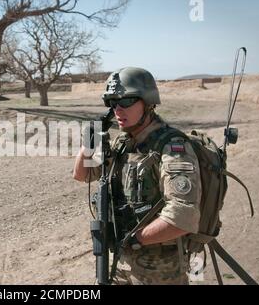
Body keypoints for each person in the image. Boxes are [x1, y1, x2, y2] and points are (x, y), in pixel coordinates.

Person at [73, 67, 202, 285]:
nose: (117, 110)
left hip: (159, 269)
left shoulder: (172, 147)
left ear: (148, 102)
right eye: (112, 103)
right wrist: (88, 144)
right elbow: (83, 175)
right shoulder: (123, 143)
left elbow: (183, 216)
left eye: (126, 101)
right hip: (120, 262)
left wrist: (135, 239)